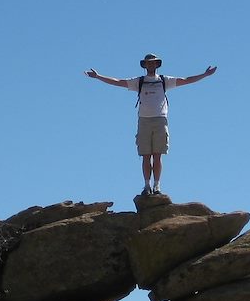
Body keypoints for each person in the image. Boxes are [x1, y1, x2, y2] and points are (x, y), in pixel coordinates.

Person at [84, 53, 218, 196]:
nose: (151, 65)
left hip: (160, 119)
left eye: (153, 62)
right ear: (145, 65)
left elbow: (185, 80)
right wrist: (98, 76)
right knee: (146, 155)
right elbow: (118, 82)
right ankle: (147, 185)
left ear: (157, 64)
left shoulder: (164, 80)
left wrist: (204, 75)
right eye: (149, 63)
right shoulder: (140, 82)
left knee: (158, 155)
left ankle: (157, 185)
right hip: (144, 121)